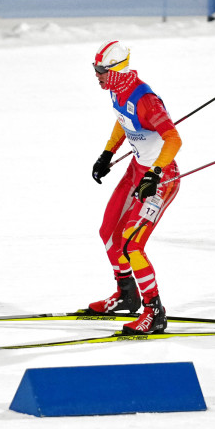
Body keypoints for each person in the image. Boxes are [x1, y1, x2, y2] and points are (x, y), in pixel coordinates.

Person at [87, 40, 182, 333]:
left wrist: (154, 174)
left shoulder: (146, 100)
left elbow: (174, 139)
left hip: (160, 177)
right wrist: (107, 153)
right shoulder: (117, 88)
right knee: (108, 232)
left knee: (131, 242)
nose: (97, 74)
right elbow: (123, 119)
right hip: (135, 170)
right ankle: (127, 294)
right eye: (95, 68)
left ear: (116, 69)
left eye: (101, 69)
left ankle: (154, 313)